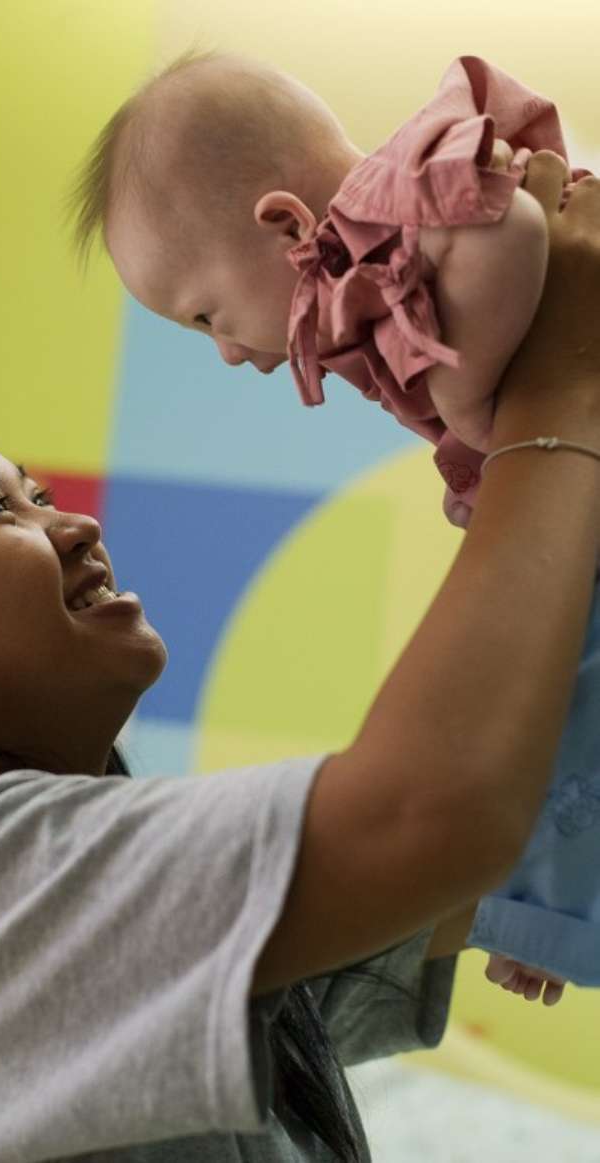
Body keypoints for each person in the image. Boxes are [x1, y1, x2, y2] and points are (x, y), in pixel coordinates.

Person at [0, 155, 599, 1163]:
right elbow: (435, 812)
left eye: (36, 492)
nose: (71, 524)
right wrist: (558, 392)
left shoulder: (95, 894)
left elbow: (484, 837)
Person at [71, 52, 599, 1003]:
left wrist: (478, 406)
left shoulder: (391, 206)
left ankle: (547, 901)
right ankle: (548, 905)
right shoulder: (365, 273)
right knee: (546, 690)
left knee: (549, 683)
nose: (230, 352)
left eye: (207, 316)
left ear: (283, 226)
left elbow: (514, 227)